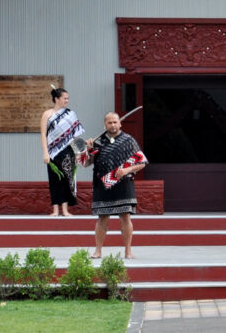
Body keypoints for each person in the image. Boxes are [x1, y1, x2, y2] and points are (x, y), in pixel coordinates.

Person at [85, 112, 147, 259]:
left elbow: (142, 163)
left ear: (120, 123)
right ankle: (98, 251)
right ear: (105, 125)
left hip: (124, 184)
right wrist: (88, 150)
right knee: (102, 218)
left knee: (125, 217)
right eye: (109, 123)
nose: (112, 125)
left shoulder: (129, 140)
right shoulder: (98, 142)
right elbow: (87, 164)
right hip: (102, 184)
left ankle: (128, 251)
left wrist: (126, 170)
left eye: (115, 122)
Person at [40, 87, 83, 216]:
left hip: (68, 150)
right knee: (54, 179)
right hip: (53, 151)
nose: (67, 101)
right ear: (56, 99)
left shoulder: (71, 114)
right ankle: (55, 210)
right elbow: (43, 134)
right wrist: (45, 152)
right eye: (64, 98)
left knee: (67, 179)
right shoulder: (47, 114)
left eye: (68, 98)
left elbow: (75, 135)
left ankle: (65, 209)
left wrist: (78, 152)